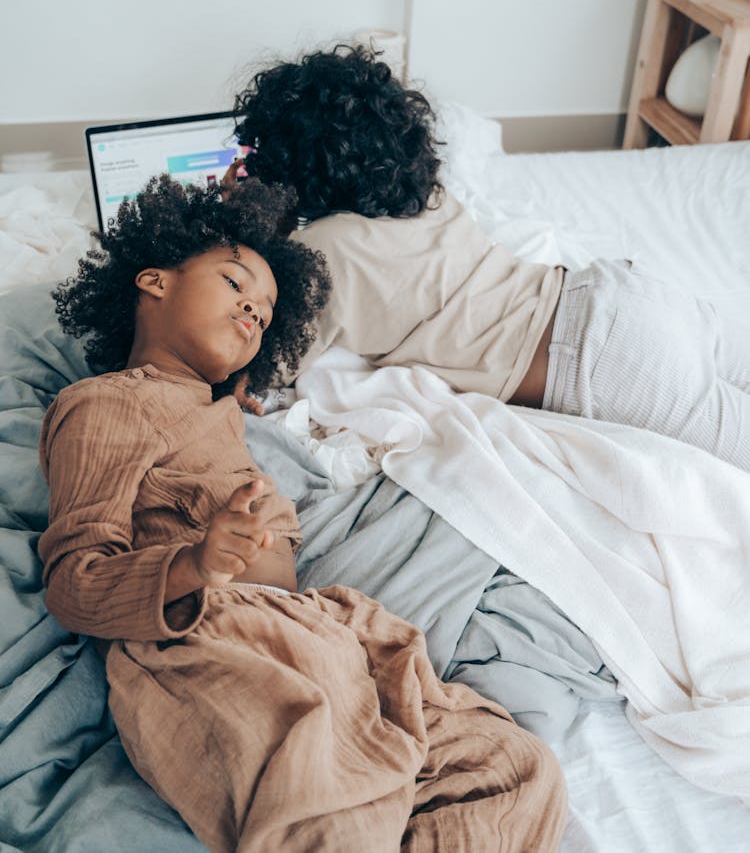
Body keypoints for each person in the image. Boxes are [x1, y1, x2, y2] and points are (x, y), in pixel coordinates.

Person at [38, 174, 567, 853]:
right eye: (235, 284)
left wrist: (232, 385)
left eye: (265, 307)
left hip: (316, 634)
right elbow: (74, 580)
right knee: (332, 811)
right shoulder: (104, 403)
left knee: (518, 769)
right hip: (210, 645)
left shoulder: (227, 413)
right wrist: (192, 563)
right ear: (154, 281)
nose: (255, 310)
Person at [229, 45, 750, 471]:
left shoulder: (322, 251)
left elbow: (260, 365)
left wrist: (252, 230)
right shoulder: (425, 194)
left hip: (599, 361)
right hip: (618, 294)